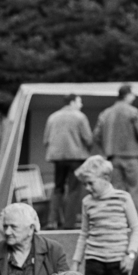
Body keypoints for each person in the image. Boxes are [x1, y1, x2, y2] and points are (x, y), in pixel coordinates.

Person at [71, 155, 138, 275]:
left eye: (91, 183)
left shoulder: (123, 198)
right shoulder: (87, 202)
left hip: (118, 261)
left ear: (106, 178)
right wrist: (76, 262)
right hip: (93, 261)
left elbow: (136, 229)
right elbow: (84, 233)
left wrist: (131, 255)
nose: (87, 188)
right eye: (85, 184)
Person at [93, 84, 138, 215]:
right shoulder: (133, 112)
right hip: (132, 157)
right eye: (133, 95)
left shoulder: (105, 113)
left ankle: (117, 221)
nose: (134, 97)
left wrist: (105, 149)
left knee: (116, 191)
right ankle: (133, 224)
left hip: (113, 158)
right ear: (127, 95)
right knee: (133, 190)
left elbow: (96, 135)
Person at [43, 93, 93, 229]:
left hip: (57, 158)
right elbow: (88, 138)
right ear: (72, 102)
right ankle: (68, 224)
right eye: (79, 102)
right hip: (76, 158)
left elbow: (45, 140)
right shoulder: (80, 117)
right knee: (74, 190)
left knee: (58, 188)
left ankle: (51, 221)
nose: (81, 105)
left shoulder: (52, 117)